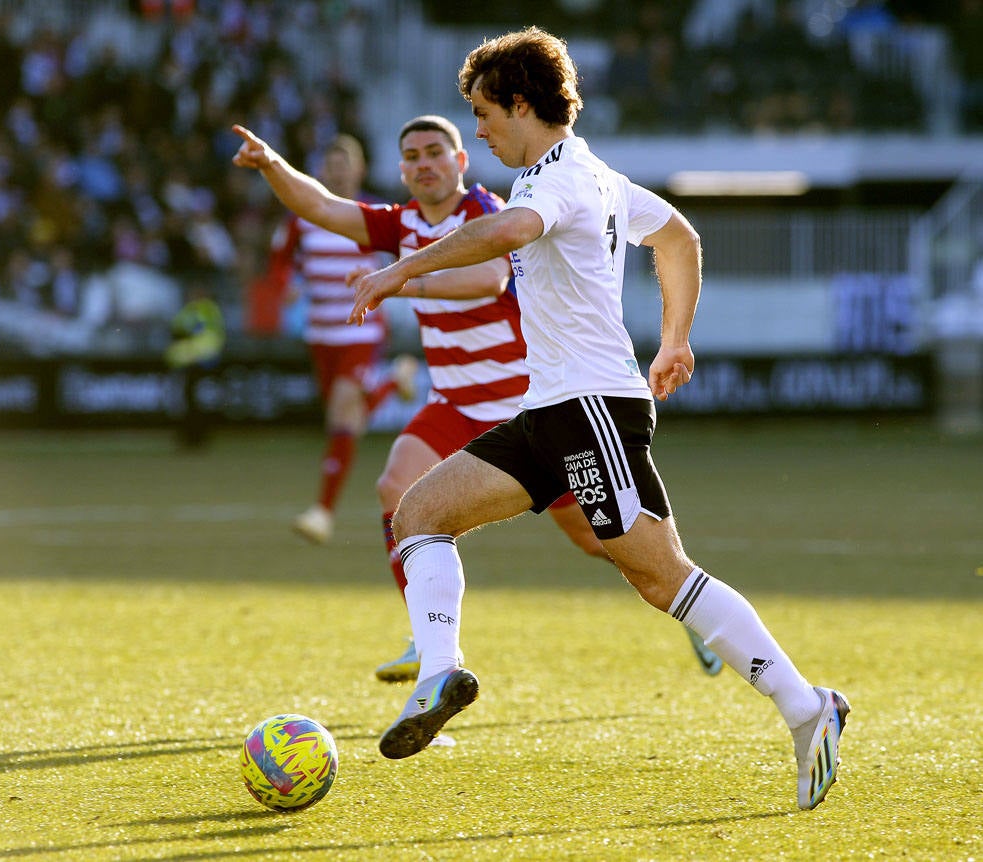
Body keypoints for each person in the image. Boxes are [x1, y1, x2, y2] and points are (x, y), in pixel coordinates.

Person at [348, 27, 849, 811]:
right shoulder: (591, 177)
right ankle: (440, 671)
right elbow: (676, 234)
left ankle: (806, 707)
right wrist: (675, 338)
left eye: (481, 112)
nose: (476, 131)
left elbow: (511, 232)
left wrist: (405, 267)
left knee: (659, 574)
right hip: (547, 410)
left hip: (590, 411)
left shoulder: (560, 177)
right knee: (418, 514)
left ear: (520, 104)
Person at [232, 114, 722, 686]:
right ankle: (427, 643)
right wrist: (272, 164)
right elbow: (323, 208)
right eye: (412, 156)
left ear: (460, 162)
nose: (424, 163)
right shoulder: (403, 223)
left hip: (525, 408)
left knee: (603, 541)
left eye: (436, 151)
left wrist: (402, 279)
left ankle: (689, 604)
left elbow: (488, 278)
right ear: (402, 171)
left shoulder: (488, 211)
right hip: (453, 406)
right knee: (396, 487)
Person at [251, 134, 415, 544]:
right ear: (322, 171)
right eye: (332, 164)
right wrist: (285, 284)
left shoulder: (371, 214)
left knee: (343, 412)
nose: (339, 171)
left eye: (346, 164)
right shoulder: (302, 216)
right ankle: (396, 380)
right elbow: (279, 262)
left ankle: (322, 512)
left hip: (360, 330)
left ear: (359, 169)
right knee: (347, 422)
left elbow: (406, 254)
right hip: (320, 332)